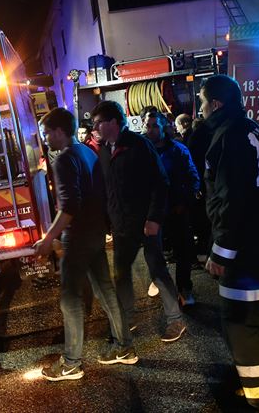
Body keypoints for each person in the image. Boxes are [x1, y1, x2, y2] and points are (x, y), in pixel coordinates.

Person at [200, 75, 259, 412]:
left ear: (216, 104)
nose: (200, 108)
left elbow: (232, 199)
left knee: (243, 326)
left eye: (202, 101)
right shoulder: (253, 129)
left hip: (247, 255)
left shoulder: (232, 137)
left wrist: (220, 251)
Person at [33, 108, 137, 381]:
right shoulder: (88, 152)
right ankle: (124, 348)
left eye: (46, 133)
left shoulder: (65, 159)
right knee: (105, 291)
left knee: (71, 300)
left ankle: (71, 363)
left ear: (58, 131)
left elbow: (69, 206)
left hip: (77, 237)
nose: (46, 139)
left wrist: (48, 238)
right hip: (95, 234)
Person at [91, 100, 186, 342]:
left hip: (145, 223)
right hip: (122, 225)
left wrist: (154, 219)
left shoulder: (138, 145)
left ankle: (175, 320)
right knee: (121, 274)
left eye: (98, 122)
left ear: (113, 122)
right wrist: (106, 221)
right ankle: (127, 319)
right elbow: (106, 190)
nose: (95, 128)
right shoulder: (104, 151)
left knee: (157, 270)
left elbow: (159, 182)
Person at [142, 111, 200, 306]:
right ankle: (158, 281)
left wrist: (184, 203)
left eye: (154, 125)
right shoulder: (141, 151)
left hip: (176, 209)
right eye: (147, 125)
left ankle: (184, 288)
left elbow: (193, 178)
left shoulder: (178, 150)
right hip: (153, 212)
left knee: (183, 251)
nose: (150, 130)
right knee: (154, 252)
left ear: (163, 127)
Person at [187, 116, 213, 258]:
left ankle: (204, 246)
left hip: (202, 183)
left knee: (201, 217)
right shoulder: (213, 135)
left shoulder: (195, 138)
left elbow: (192, 164)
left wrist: (195, 186)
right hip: (210, 182)